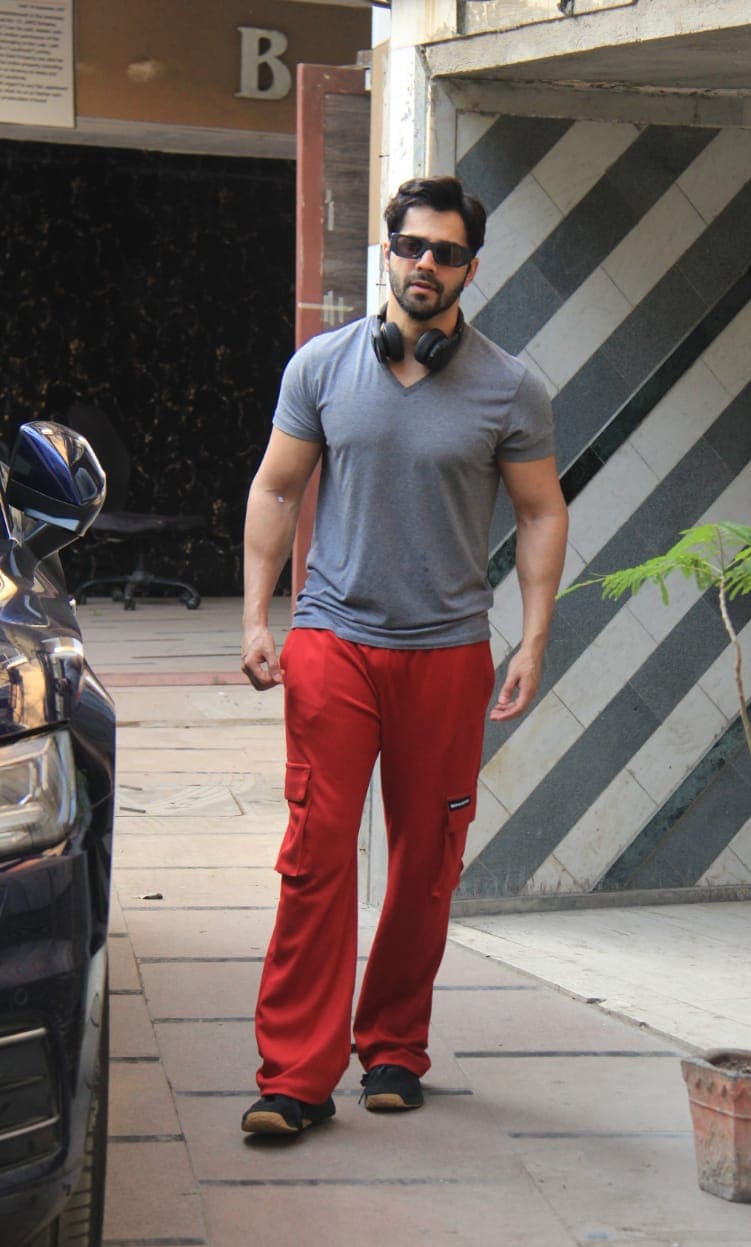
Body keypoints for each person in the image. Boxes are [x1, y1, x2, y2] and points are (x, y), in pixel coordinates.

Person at [240, 176, 568, 1137]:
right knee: (315, 854)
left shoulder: (510, 386)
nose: (426, 264)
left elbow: (541, 510)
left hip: (448, 652)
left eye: (447, 252)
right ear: (384, 253)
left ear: (472, 267)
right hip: (334, 640)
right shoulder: (323, 367)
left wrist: (532, 639)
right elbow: (275, 489)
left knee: (426, 862)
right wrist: (258, 617)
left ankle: (391, 1045)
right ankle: (294, 1077)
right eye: (411, 246)